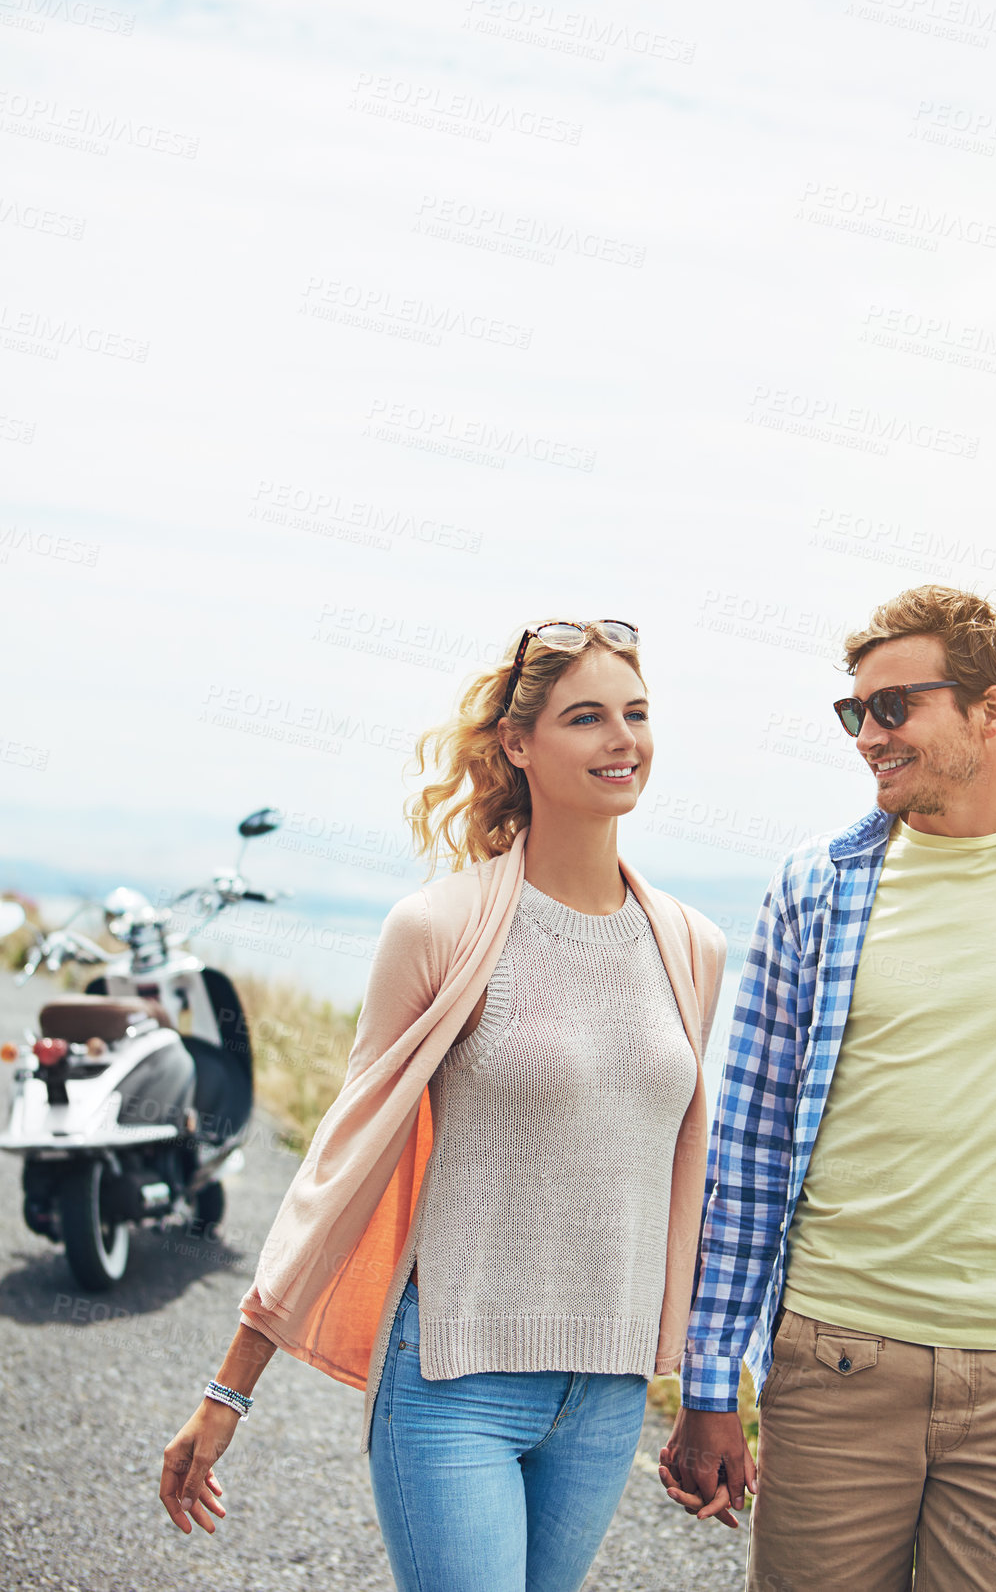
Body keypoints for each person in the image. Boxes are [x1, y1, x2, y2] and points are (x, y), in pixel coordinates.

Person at [160, 618, 727, 1592]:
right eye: (585, 717)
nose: (620, 740)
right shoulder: (440, 927)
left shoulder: (689, 944)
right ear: (518, 744)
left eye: (634, 714)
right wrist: (229, 1387)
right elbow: (342, 1162)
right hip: (453, 1385)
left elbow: (681, 1179)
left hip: (606, 1398)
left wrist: (707, 1391)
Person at [660, 584, 996, 1591]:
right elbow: (749, 1145)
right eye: (854, 713)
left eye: (891, 708)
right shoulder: (817, 885)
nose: (864, 736)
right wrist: (710, 1384)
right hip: (836, 1362)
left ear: (989, 710)